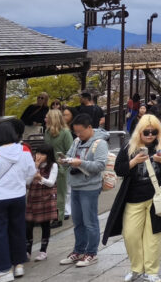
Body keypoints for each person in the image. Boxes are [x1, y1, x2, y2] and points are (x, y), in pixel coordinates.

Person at [102, 114, 161, 282]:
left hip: (158, 197)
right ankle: (136, 268)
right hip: (133, 196)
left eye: (154, 132)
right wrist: (134, 162)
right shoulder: (129, 147)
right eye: (146, 132)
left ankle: (151, 271)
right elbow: (119, 170)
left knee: (155, 235)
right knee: (131, 235)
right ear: (139, 132)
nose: (150, 135)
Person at [0, 121, 37, 282]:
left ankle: (3, 269)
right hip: (18, 196)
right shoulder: (24, 149)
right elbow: (32, 172)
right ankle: (18, 264)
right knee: (17, 230)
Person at [59, 113, 109, 268]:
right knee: (78, 222)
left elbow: (100, 165)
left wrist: (80, 163)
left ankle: (91, 253)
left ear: (89, 127)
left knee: (90, 222)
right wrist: (65, 160)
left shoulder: (99, 143)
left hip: (90, 187)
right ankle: (78, 250)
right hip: (75, 185)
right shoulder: (76, 141)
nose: (78, 135)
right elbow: (69, 155)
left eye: (80, 131)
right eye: (76, 132)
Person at [25, 144, 58, 262]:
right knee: (28, 225)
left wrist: (40, 178)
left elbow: (51, 182)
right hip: (33, 197)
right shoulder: (33, 165)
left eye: (42, 154)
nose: (39, 156)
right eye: (37, 153)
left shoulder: (53, 165)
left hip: (45, 198)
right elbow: (27, 182)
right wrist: (35, 167)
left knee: (45, 224)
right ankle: (27, 250)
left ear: (48, 156)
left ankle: (43, 250)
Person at [42, 110, 73, 228]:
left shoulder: (65, 133)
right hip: (49, 166)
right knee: (49, 192)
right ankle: (50, 215)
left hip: (61, 167)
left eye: (47, 117)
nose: (45, 119)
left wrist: (65, 162)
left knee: (60, 193)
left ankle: (58, 217)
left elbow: (70, 151)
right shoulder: (47, 131)